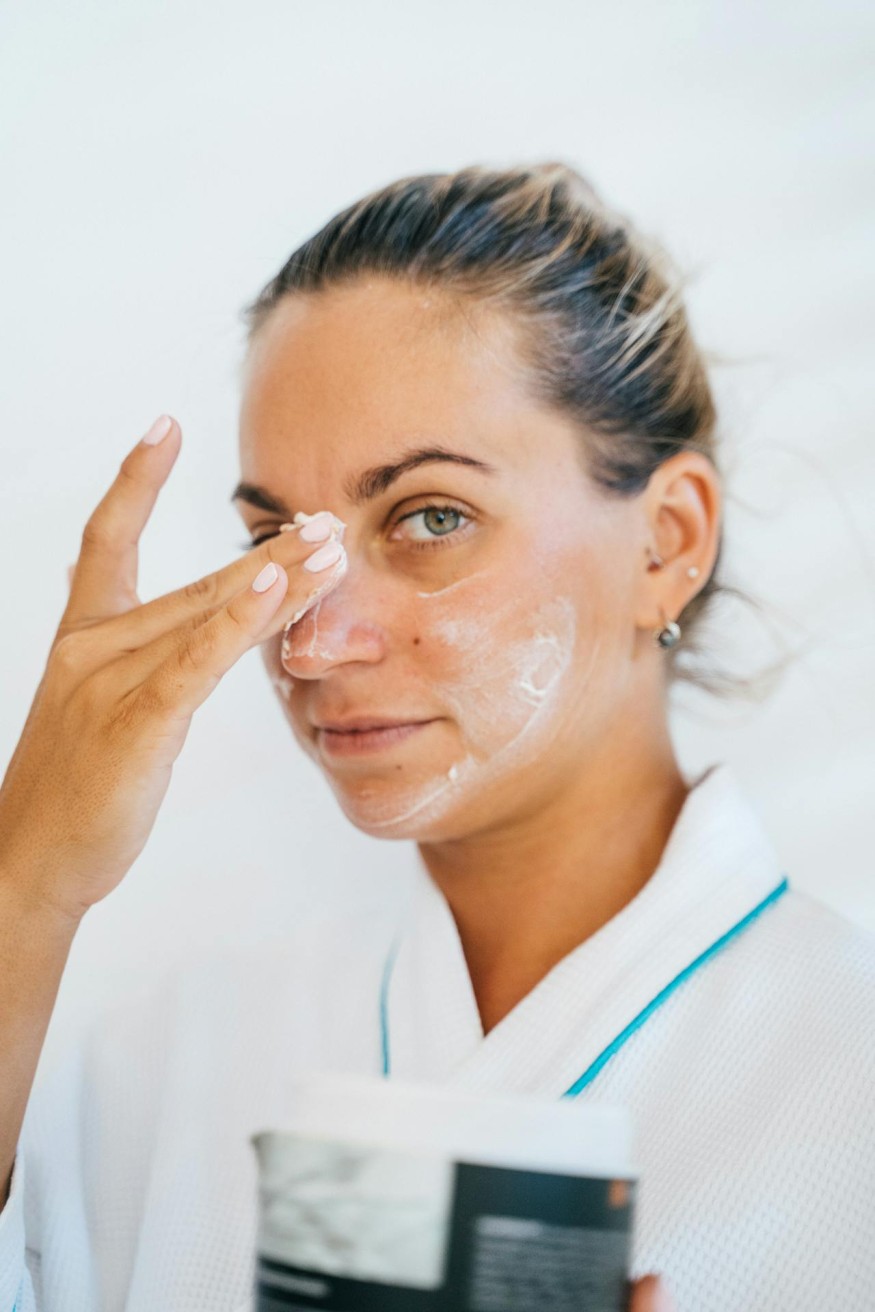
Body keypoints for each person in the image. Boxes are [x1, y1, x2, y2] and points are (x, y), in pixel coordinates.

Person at [0, 162, 872, 1312]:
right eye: (275, 541)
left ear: (664, 543)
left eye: (427, 518)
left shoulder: (844, 1081)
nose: (310, 644)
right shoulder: (152, 1075)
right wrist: (27, 891)